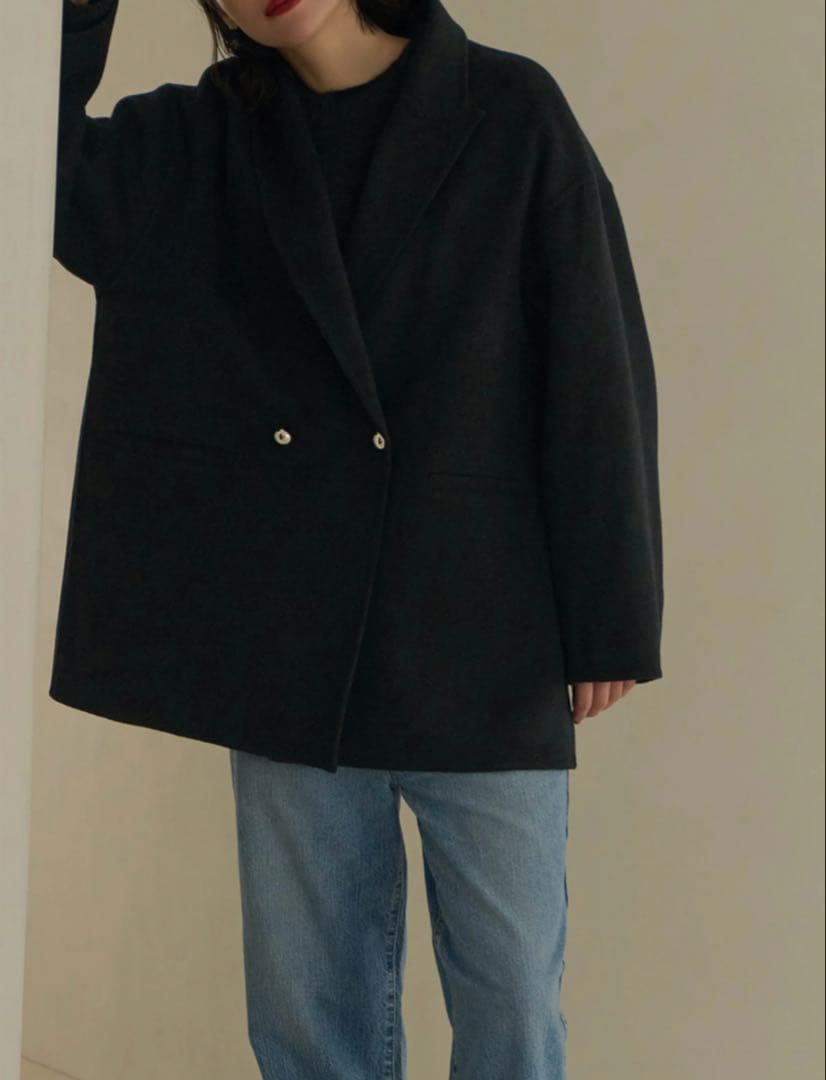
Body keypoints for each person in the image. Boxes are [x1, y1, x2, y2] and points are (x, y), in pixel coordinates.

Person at [58, 1, 664, 1077]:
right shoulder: (200, 141)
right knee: (306, 1015)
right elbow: (38, 171)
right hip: (290, 643)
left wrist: (608, 613)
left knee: (513, 1001)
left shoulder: (509, 111)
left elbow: (592, 359)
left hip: (483, 631)